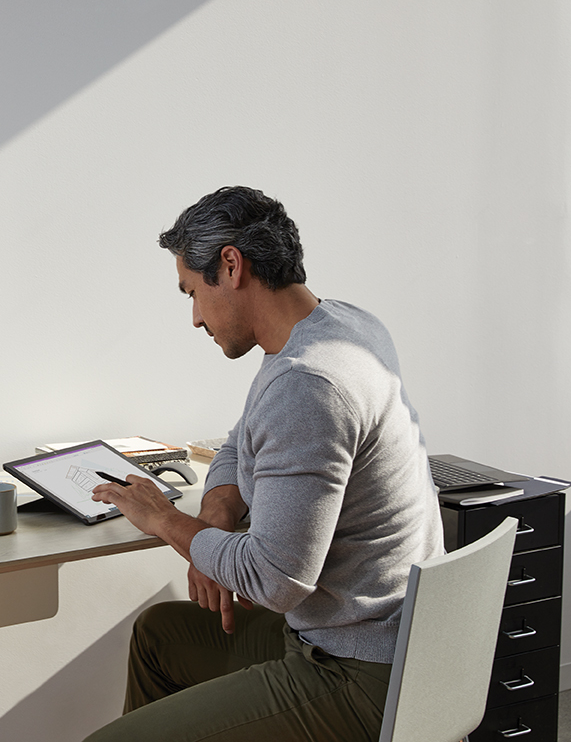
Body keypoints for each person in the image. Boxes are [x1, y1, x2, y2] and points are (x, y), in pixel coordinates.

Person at [83, 186, 445, 742]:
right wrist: (217, 512)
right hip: (372, 636)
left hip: (359, 670)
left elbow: (273, 581)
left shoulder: (308, 382)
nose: (196, 319)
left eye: (191, 293)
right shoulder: (338, 328)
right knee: (159, 634)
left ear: (230, 265)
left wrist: (166, 522)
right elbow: (239, 440)